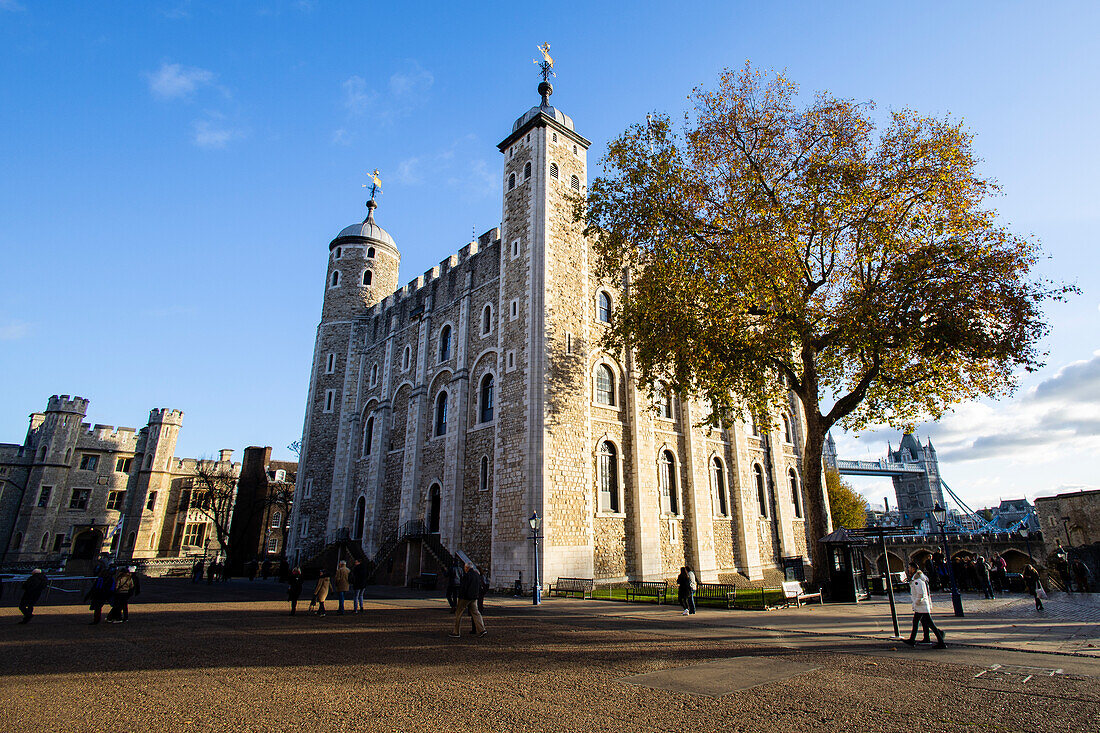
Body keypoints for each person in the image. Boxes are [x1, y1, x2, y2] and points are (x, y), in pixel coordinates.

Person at [902, 560, 946, 649]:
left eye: (910, 568)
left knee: (928, 624)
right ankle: (913, 640)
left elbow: (920, 594)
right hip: (921, 606)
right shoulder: (918, 579)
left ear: (913, 569)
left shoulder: (917, 580)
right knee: (919, 622)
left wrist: (916, 603)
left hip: (921, 606)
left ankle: (941, 641)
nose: (909, 570)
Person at [449, 563, 486, 638]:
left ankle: (456, 632)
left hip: (465, 597)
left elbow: (463, 587)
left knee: (458, 613)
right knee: (476, 613)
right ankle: (481, 629)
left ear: (466, 568)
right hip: (474, 597)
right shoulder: (476, 575)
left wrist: (460, 596)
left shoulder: (466, 576)